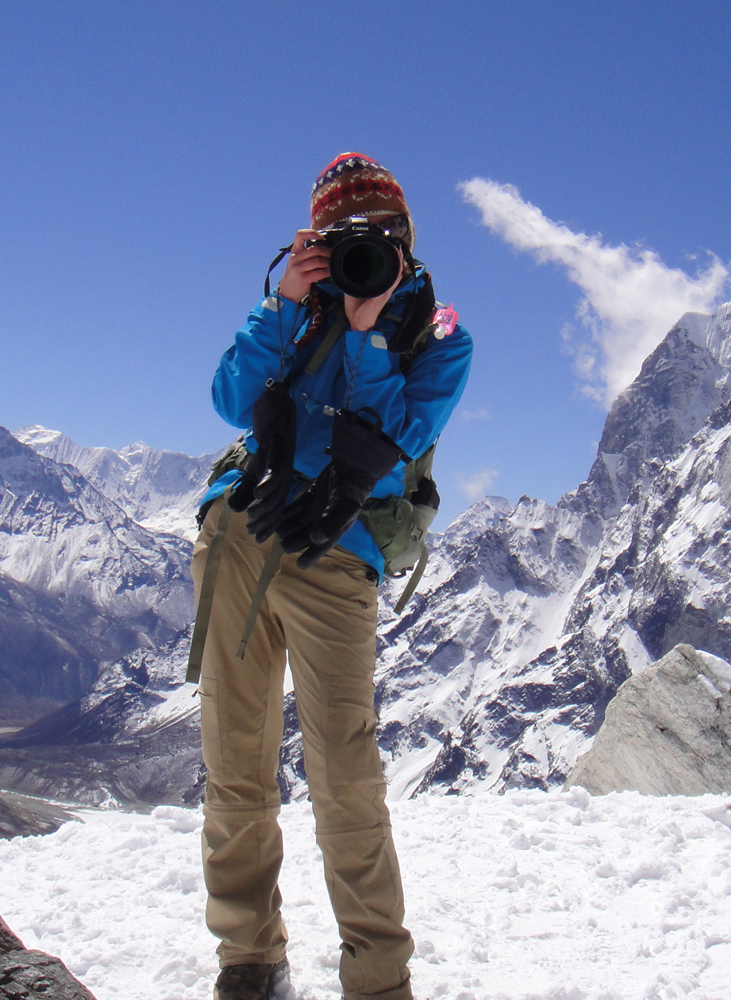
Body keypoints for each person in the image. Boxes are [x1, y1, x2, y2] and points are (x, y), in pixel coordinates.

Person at [189, 153, 472, 1000]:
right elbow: (230, 401)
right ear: (310, 239)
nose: (369, 246)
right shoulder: (290, 307)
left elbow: (398, 440)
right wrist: (284, 307)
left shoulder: (438, 334)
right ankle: (247, 960)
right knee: (234, 764)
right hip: (240, 535)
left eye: (385, 232)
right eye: (347, 235)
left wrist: (364, 334)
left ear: (408, 238)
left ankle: (378, 981)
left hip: (338, 554)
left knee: (344, 772)